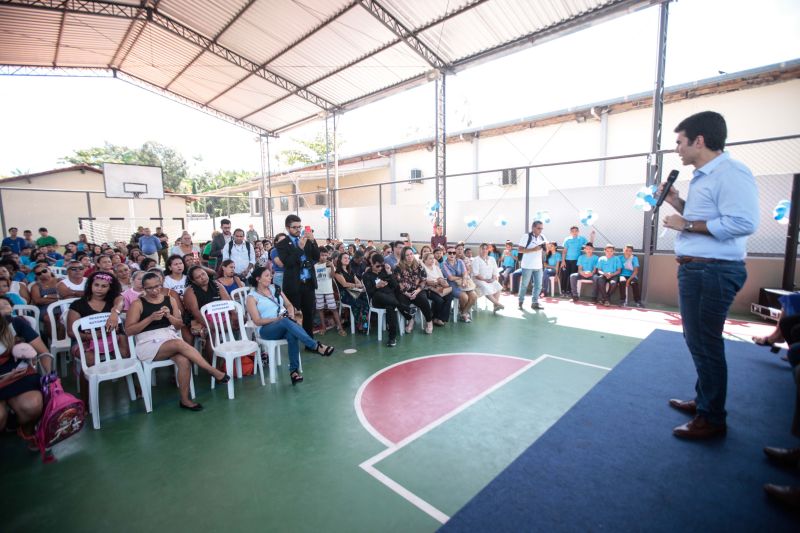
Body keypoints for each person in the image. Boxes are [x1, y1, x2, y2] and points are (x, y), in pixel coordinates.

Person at [660, 111, 759, 439]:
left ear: (699, 140)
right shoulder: (703, 176)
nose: (677, 149)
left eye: (680, 141)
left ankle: (712, 417)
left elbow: (742, 224)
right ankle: (706, 401)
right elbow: (707, 218)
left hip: (713, 271)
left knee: (706, 343)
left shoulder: (731, 173)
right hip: (697, 268)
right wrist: (677, 203)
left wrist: (685, 225)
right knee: (698, 340)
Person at [125, 272, 229, 411]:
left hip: (169, 337)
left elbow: (179, 325)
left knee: (184, 361)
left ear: (161, 284)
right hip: (148, 342)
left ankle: (185, 400)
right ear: (143, 288)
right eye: (149, 288)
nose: (154, 290)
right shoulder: (138, 304)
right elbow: (129, 330)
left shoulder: (170, 300)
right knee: (178, 343)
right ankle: (213, 371)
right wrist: (149, 319)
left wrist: (169, 317)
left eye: (157, 286)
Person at [247, 267, 334, 385]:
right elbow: (257, 321)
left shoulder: (276, 289)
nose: (270, 277)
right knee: (285, 321)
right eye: (267, 276)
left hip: (284, 323)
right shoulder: (252, 297)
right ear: (258, 279)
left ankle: (294, 372)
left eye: (270, 275)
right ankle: (315, 346)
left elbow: (288, 305)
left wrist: (291, 315)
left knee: (291, 333)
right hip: (267, 329)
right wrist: (277, 319)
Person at [66, 271, 129, 403]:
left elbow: (120, 299)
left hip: (110, 340)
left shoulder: (113, 301)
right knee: (89, 362)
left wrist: (114, 312)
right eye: (96, 285)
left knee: (126, 351)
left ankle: (135, 387)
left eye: (104, 286)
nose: (99, 289)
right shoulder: (78, 304)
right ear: (90, 285)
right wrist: (93, 336)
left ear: (110, 288)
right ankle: (85, 401)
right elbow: (71, 333)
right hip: (84, 341)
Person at [0, 295, 50, 450]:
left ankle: (27, 431)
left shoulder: (16, 324)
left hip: (19, 373)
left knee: (32, 406)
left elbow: (43, 352)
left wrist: (50, 377)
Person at [276, 215, 320, 337]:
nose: (298, 230)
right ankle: (293, 340)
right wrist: (300, 248)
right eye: (294, 227)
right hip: (294, 285)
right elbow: (288, 263)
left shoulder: (305, 239)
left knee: (308, 314)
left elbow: (316, 257)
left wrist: (312, 240)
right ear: (287, 228)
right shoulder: (282, 244)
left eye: (299, 227)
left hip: (308, 283)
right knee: (293, 315)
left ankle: (309, 341)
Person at [362, 254, 413, 347]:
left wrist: (390, 273)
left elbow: (395, 287)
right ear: (371, 263)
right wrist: (377, 286)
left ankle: (392, 338)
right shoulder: (367, 275)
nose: (380, 268)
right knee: (378, 294)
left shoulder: (384, 271)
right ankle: (404, 308)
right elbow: (369, 292)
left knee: (390, 307)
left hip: (390, 298)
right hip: (377, 300)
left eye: (381, 265)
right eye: (377, 266)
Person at [394, 246, 434, 334]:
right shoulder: (398, 267)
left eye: (411, 254)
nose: (410, 256)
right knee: (399, 303)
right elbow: (398, 282)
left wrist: (418, 290)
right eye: (407, 255)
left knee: (424, 300)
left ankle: (429, 321)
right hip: (404, 292)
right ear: (403, 256)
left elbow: (423, 280)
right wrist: (406, 293)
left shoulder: (419, 265)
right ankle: (410, 319)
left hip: (417, 290)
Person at [333, 252, 369, 334]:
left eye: (348, 258)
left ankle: (363, 322)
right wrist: (356, 285)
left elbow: (359, 282)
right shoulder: (338, 272)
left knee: (365, 300)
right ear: (340, 260)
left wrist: (357, 285)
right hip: (345, 294)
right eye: (345, 258)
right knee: (358, 303)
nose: (347, 259)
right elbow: (344, 284)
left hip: (353, 292)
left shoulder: (350, 271)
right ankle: (360, 323)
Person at [313, 249, 346, 336]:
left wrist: (331, 267)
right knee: (320, 309)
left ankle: (340, 328)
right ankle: (323, 327)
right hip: (318, 291)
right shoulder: (315, 266)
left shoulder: (329, 265)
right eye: (321, 255)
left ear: (328, 255)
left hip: (328, 290)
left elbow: (332, 276)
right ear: (318, 256)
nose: (323, 257)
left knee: (334, 309)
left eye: (325, 255)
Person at [442, 245, 477, 322]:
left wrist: (464, 279)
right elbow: (450, 278)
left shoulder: (460, 261)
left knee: (474, 296)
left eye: (454, 253)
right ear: (446, 254)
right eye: (450, 253)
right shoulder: (444, 264)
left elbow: (465, 272)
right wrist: (461, 277)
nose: (452, 254)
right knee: (464, 297)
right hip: (452, 284)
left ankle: (463, 312)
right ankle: (464, 314)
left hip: (464, 281)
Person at [517, 221, 547, 310]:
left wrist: (545, 247)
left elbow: (546, 249)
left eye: (541, 228)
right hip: (527, 265)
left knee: (538, 285)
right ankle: (520, 301)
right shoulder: (526, 236)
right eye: (538, 228)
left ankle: (535, 303)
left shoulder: (542, 237)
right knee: (524, 285)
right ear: (533, 228)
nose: (540, 230)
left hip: (538, 266)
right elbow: (520, 250)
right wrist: (533, 249)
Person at [561, 226, 595, 298]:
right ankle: (563, 290)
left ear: (578, 231)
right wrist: (563, 261)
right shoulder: (567, 239)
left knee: (572, 276)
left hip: (576, 260)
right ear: (570, 232)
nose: (574, 232)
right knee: (565, 275)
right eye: (573, 231)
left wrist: (592, 236)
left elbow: (590, 245)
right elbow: (564, 251)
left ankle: (569, 291)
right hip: (567, 260)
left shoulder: (581, 239)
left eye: (576, 231)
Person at [421, 251, 453, 326]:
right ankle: (434, 317)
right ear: (425, 260)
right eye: (430, 259)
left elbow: (441, 277)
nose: (432, 260)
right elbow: (425, 281)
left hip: (439, 287)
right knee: (439, 300)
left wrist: (441, 280)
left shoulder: (436, 267)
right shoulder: (422, 268)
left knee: (449, 296)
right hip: (429, 289)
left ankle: (441, 318)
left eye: (433, 258)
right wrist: (436, 282)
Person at [472, 243, 505, 312]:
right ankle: (497, 304)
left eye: (486, 249)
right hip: (478, 280)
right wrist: (485, 280)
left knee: (497, 285)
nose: (484, 250)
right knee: (485, 287)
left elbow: (495, 271)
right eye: (482, 248)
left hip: (490, 279)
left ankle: (495, 306)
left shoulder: (492, 259)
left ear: (488, 250)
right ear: (479, 250)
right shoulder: (476, 259)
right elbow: (476, 274)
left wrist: (493, 279)